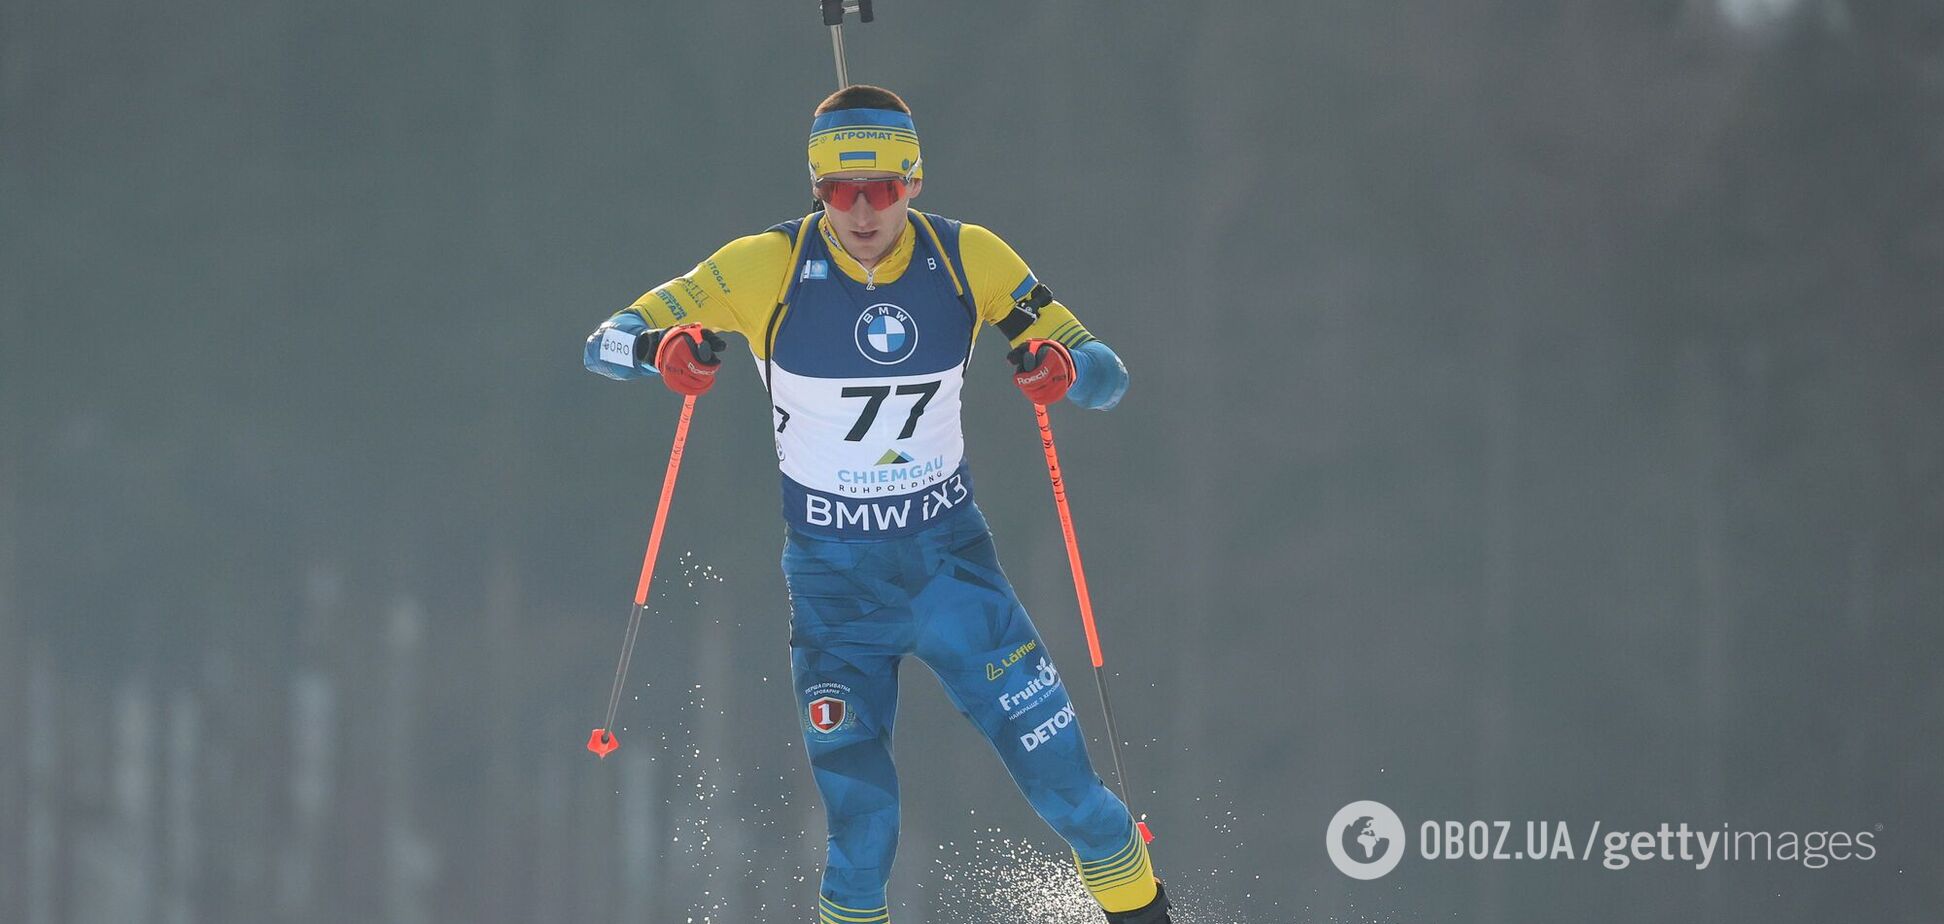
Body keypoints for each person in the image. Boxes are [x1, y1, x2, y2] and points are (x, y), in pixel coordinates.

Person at [583, 84, 1168, 924]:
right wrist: (660, 351)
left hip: (952, 575)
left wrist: (1066, 368)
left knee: (1072, 794)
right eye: (838, 192)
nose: (861, 213)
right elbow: (603, 343)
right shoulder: (763, 267)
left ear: (914, 182)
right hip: (835, 594)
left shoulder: (971, 257)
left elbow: (1106, 373)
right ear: (815, 187)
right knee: (864, 833)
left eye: (882, 191)